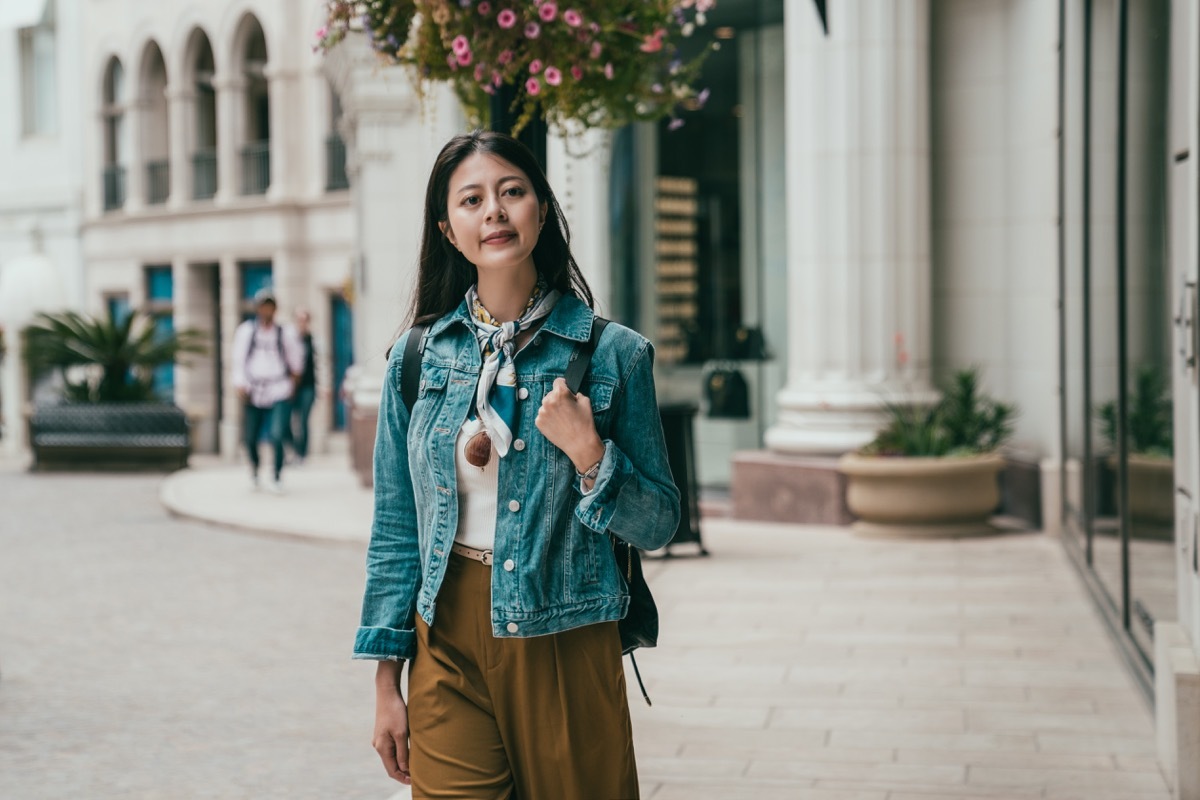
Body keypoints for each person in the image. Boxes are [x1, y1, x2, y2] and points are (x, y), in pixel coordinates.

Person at [356, 130, 680, 799]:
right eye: (472, 200)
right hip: (444, 637)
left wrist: (590, 453)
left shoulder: (614, 355)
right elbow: (395, 529)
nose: (494, 212)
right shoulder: (414, 359)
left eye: (512, 192)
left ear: (541, 209)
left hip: (566, 634)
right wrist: (387, 680)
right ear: (449, 230)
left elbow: (658, 522)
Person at [231, 287, 303, 493]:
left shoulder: (285, 333)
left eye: (270, 307)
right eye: (263, 307)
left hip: (279, 388)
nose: (266, 311)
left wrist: (291, 386)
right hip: (254, 390)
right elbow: (238, 361)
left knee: (277, 434)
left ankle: (277, 475)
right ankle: (255, 468)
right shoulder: (246, 331)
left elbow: (295, 362)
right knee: (251, 437)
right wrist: (240, 384)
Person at [286, 308, 318, 464]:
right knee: (287, 421)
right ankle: (294, 449)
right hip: (291, 387)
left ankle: (302, 454)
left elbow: (322, 364)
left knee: (303, 420)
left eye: (304, 319)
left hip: (308, 387)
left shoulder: (314, 340)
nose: (302, 323)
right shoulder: (290, 340)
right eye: (299, 319)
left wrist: (324, 386)